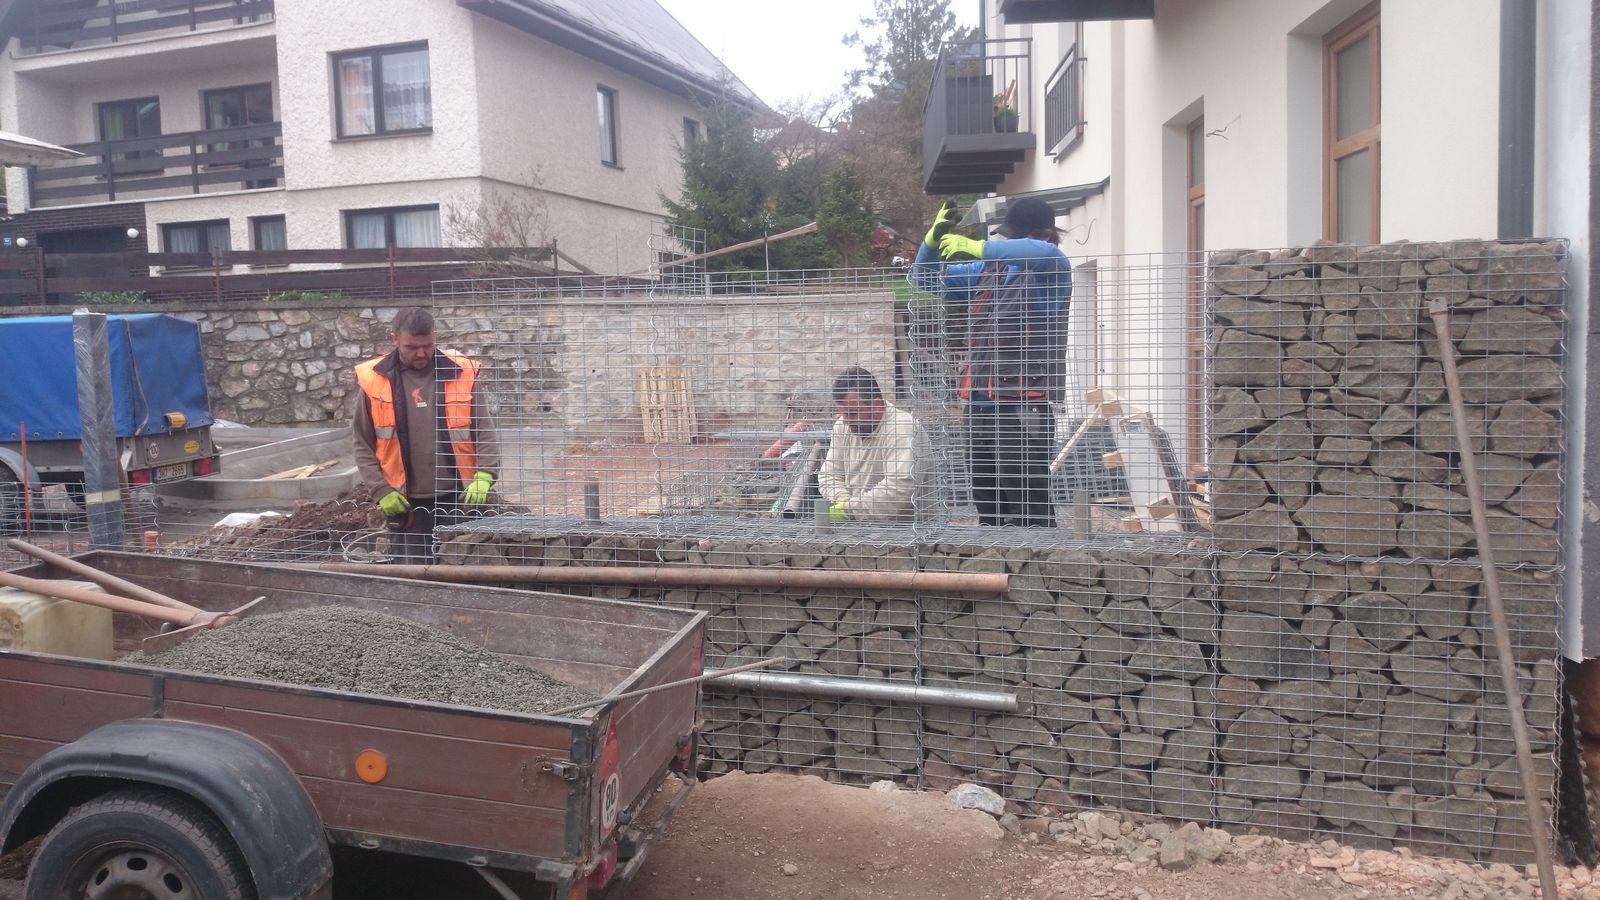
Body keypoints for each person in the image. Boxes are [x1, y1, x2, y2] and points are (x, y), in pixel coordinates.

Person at [912, 197, 1072, 527]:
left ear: (1044, 235)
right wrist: (930, 243)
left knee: (1028, 509)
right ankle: (993, 558)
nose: (1007, 243)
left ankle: (1038, 557)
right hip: (978, 406)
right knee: (988, 506)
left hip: (1022, 407)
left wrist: (978, 246)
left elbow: (1043, 254)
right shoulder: (987, 272)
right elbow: (924, 279)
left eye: (1016, 237)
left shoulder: (1051, 272)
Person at [352, 307, 500, 563]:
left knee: (464, 572)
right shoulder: (375, 380)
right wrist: (380, 490)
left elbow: (483, 430)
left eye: (428, 346)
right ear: (395, 339)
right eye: (411, 347)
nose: (421, 353)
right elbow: (362, 443)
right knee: (412, 574)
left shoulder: (460, 373)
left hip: (459, 497)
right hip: (405, 502)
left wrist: (485, 474)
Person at [817, 366, 932, 524]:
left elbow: (899, 488)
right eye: (842, 413)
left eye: (852, 413)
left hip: (908, 532)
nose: (845, 420)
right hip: (858, 528)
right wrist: (842, 499)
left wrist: (848, 510)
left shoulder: (902, 428)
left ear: (876, 405)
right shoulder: (842, 426)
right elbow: (829, 475)